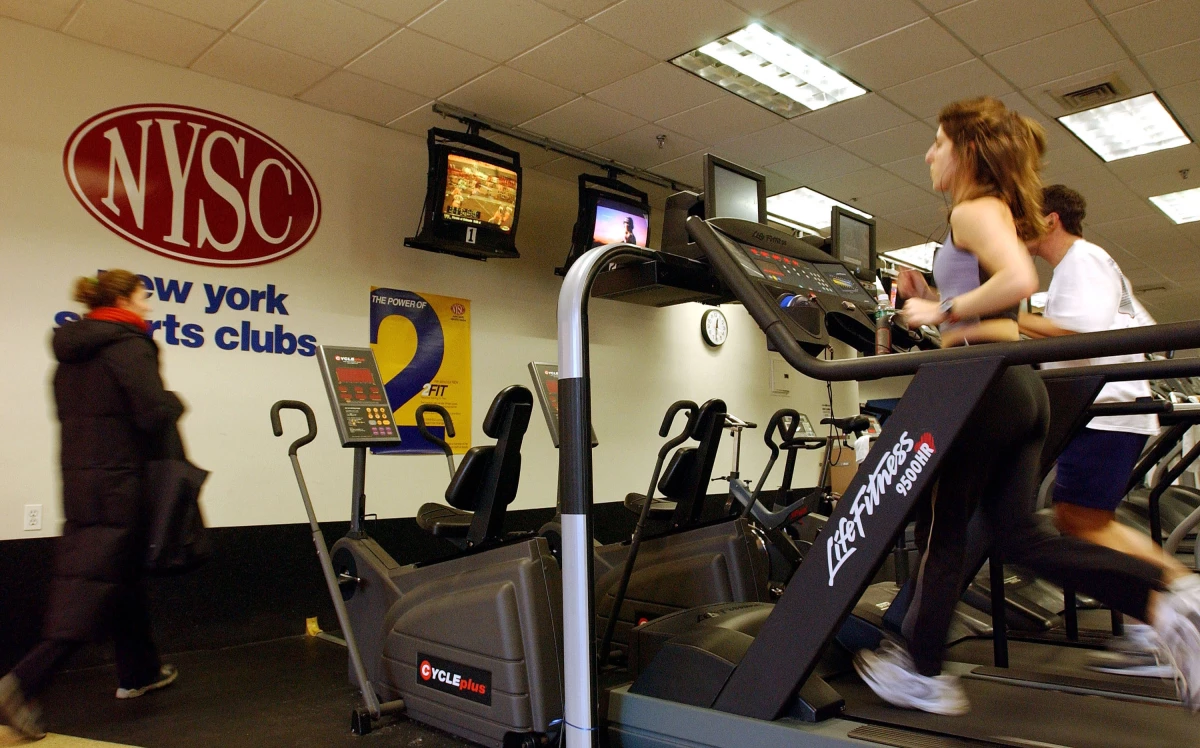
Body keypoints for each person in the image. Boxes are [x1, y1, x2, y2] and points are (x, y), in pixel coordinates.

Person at [852, 97, 1200, 717]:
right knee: (1019, 536)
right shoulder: (995, 212)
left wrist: (939, 312)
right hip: (1019, 390)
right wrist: (928, 292)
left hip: (981, 387)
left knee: (945, 534)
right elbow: (997, 299)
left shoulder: (971, 208)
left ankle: (923, 673)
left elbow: (1018, 281)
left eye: (938, 141)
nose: (929, 153)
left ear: (966, 151)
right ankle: (1168, 596)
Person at [0, 271, 183, 741]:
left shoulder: (71, 353)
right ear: (123, 298)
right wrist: (173, 402)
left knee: (115, 578)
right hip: (122, 484)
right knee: (88, 592)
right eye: (144, 296)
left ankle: (138, 671)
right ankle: (21, 683)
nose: (149, 306)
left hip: (82, 482)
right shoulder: (128, 345)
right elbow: (151, 413)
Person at [1021, 184, 1189, 677]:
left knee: (1081, 521)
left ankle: (1181, 603)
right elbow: (1134, 325)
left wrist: (1008, 319)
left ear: (1050, 219)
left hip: (1105, 409)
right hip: (1104, 408)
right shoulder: (1088, 264)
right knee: (1083, 519)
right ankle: (1154, 621)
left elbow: (1087, 332)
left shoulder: (1081, 260)